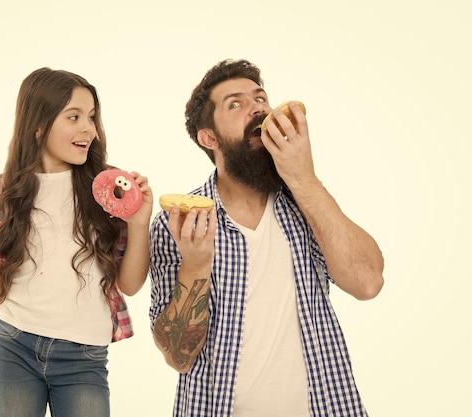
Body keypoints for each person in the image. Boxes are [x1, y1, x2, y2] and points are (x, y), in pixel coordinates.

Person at [149, 59, 384, 417]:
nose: (258, 108)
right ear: (209, 138)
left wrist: (303, 177)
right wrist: (196, 263)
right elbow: (178, 356)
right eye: (235, 104)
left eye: (260, 98)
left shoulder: (306, 205)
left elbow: (368, 282)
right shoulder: (178, 222)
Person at [0, 68, 153, 417]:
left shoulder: (109, 189)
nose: (88, 129)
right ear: (37, 125)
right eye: (74, 117)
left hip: (84, 357)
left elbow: (130, 284)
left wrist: (139, 222)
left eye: (91, 117)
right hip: (13, 347)